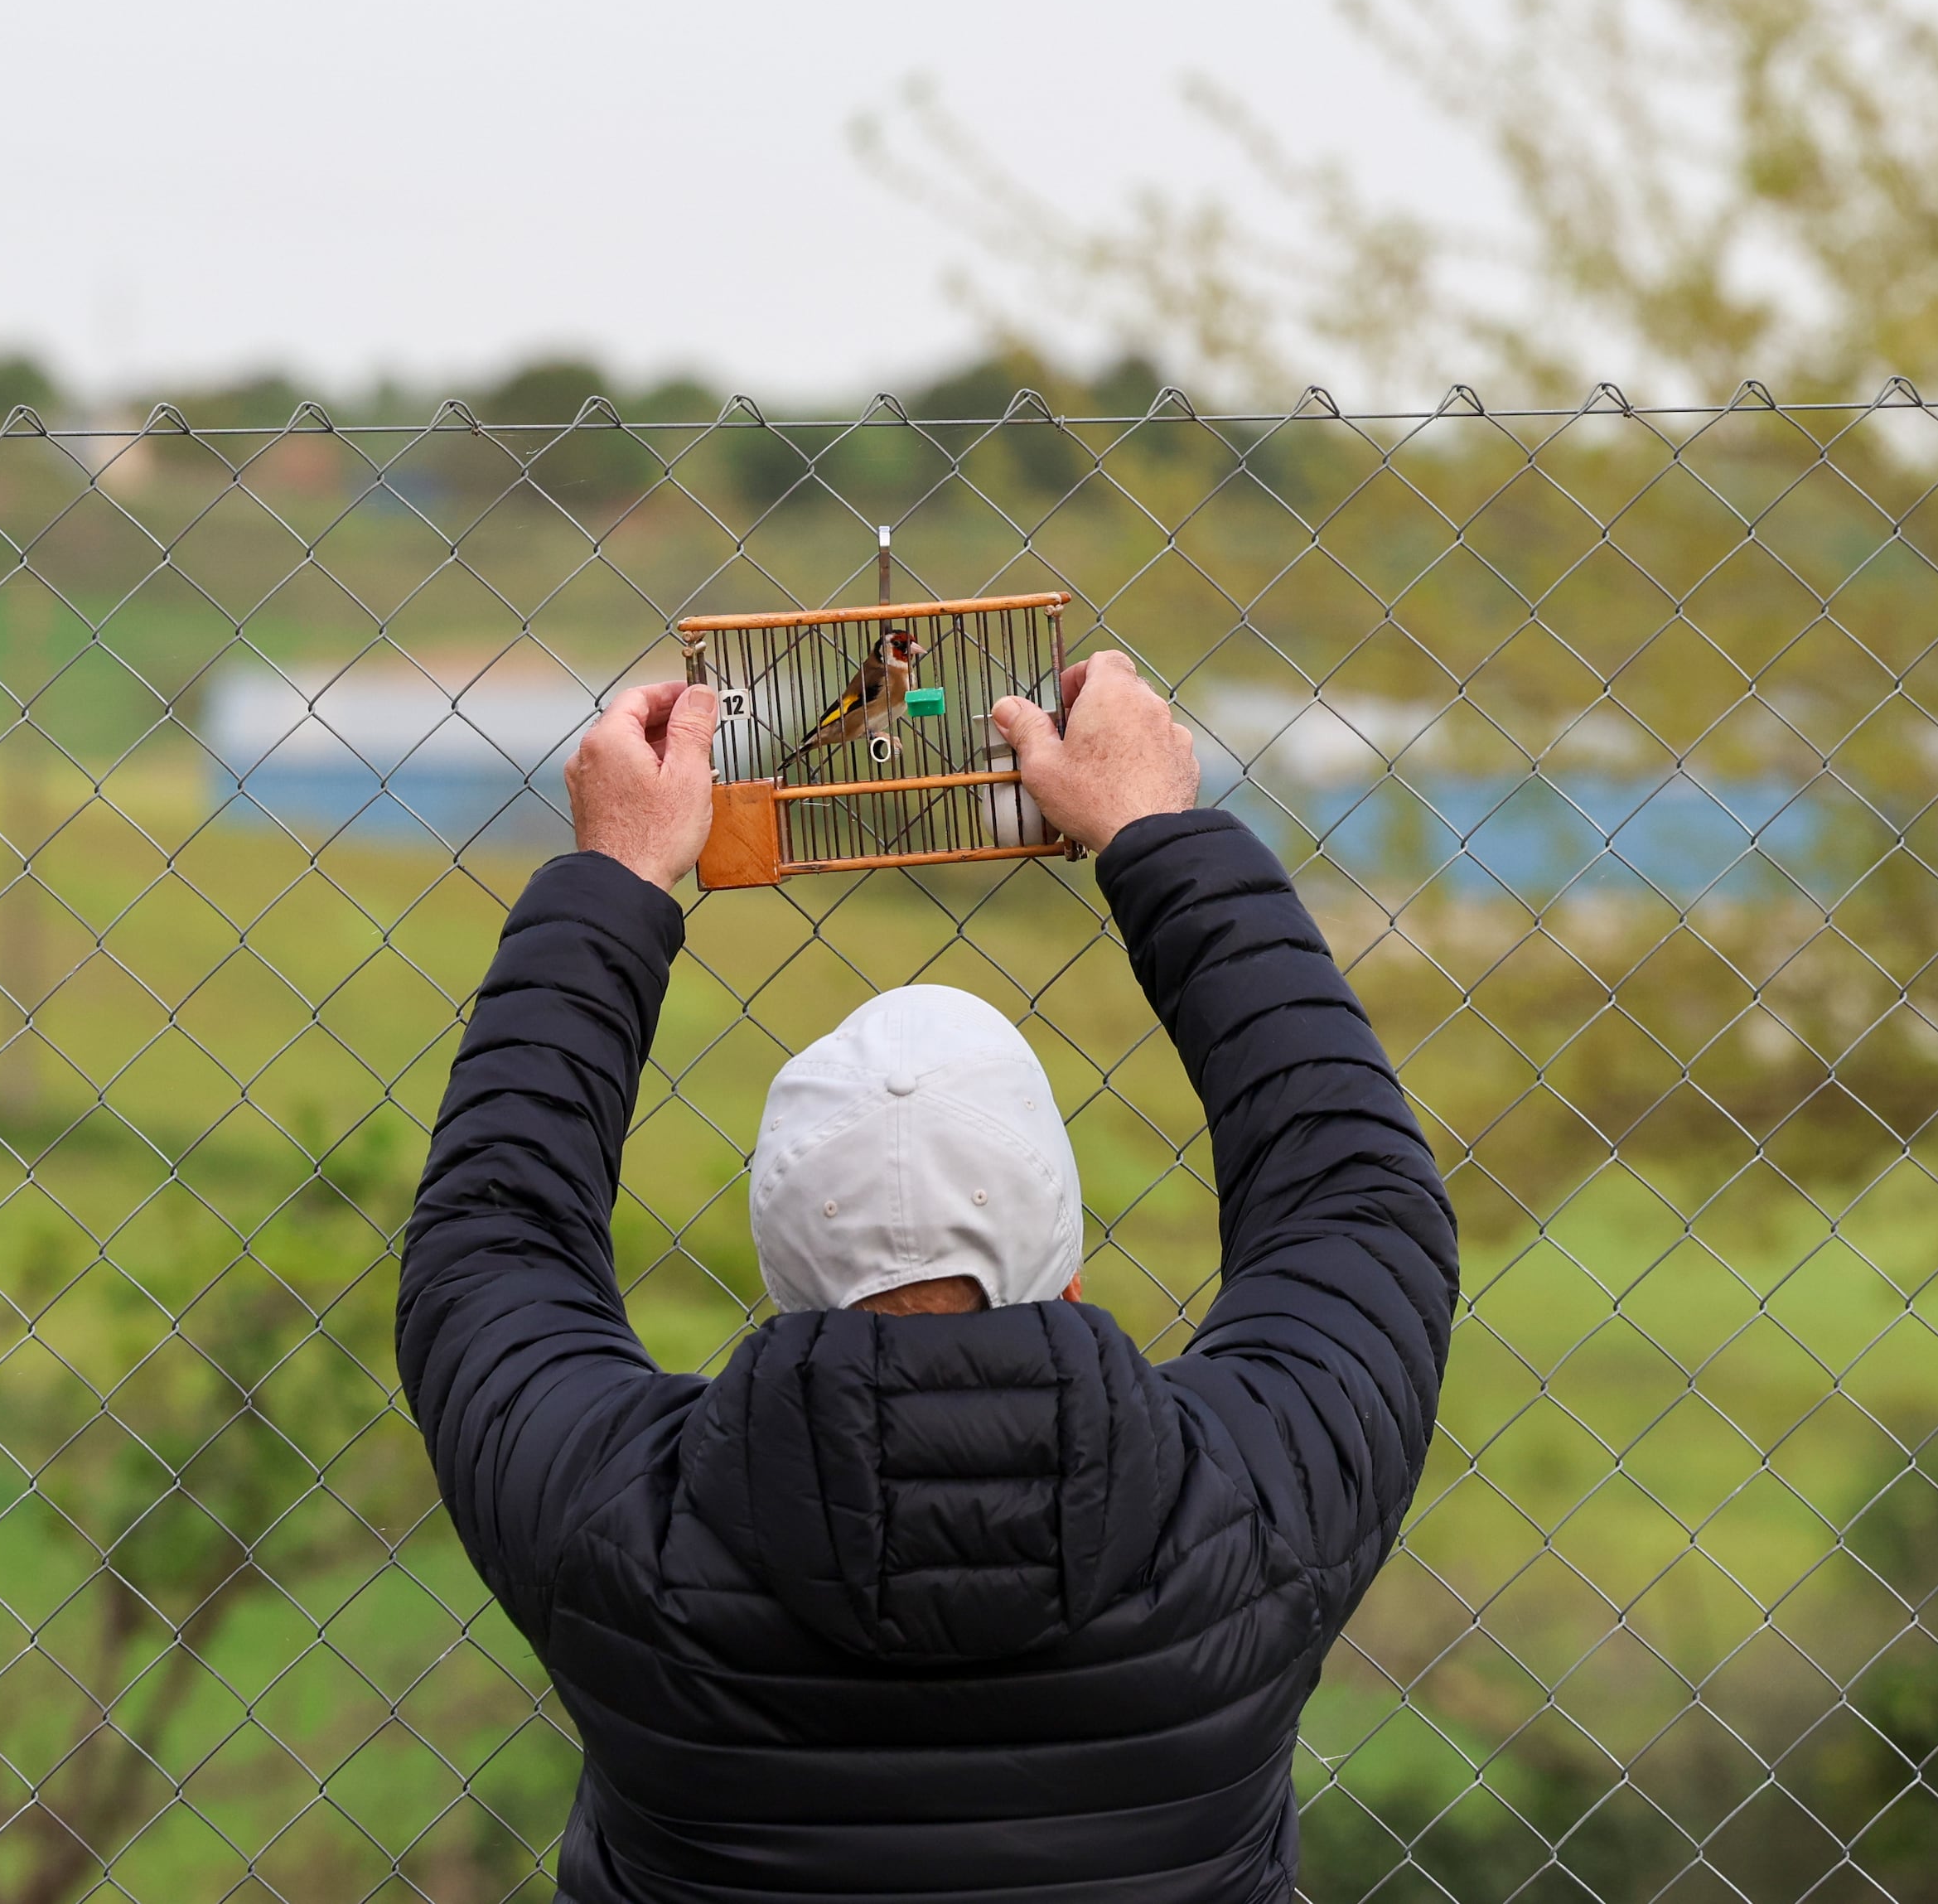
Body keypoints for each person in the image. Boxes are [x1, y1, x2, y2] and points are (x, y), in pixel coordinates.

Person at [398, 651, 1460, 1903]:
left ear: (787, 1279)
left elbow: (491, 1241)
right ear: (1063, 1267)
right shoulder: (1247, 1518)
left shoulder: (621, 1543)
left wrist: (618, 873)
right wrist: (1159, 834)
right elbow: (1356, 1198)